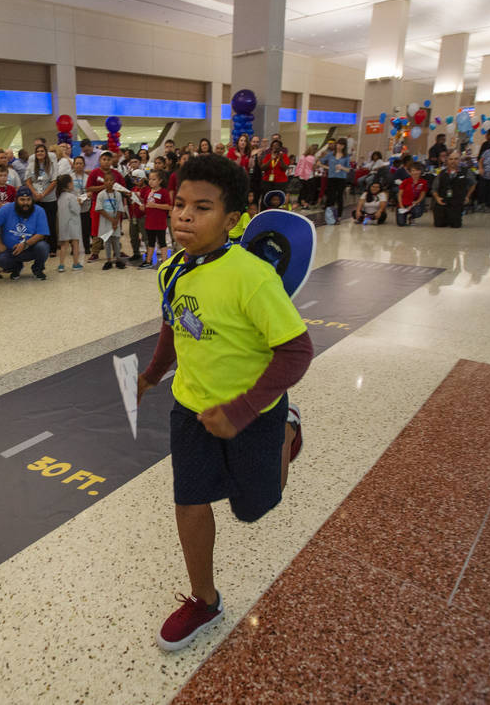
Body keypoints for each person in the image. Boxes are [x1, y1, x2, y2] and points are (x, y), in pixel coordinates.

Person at [137, 154, 312, 652]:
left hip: (254, 412)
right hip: (190, 406)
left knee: (255, 508)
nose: (184, 216)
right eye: (179, 204)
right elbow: (173, 325)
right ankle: (204, 599)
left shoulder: (251, 277)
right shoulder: (171, 269)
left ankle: (289, 428)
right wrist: (152, 375)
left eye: (202, 207)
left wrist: (242, 412)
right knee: (189, 500)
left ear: (233, 220)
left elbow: (297, 350)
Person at [0, 189, 50, 280]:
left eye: (28, 199)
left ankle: (38, 269)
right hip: (11, 250)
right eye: (22, 200)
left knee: (43, 247)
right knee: (1, 260)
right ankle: (16, 268)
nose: (26, 203)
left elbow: (41, 233)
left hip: (30, 248)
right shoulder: (7, 208)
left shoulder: (39, 211)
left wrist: (25, 244)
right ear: (16, 199)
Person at [85, 152, 126, 262]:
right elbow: (88, 188)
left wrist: (116, 189)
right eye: (104, 159)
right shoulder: (94, 173)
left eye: (109, 159)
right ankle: (95, 252)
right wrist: (103, 187)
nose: (106, 161)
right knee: (97, 229)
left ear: (112, 161)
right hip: (98, 205)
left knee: (115, 227)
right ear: (100, 161)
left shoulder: (116, 174)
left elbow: (123, 188)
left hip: (114, 205)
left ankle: (117, 251)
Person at [25, 144, 58, 251]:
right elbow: (28, 182)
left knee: (50, 224)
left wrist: (43, 194)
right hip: (36, 199)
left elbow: (54, 182)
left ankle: (52, 248)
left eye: (42, 151)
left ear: (46, 153)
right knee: (37, 224)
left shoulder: (52, 165)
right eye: (38, 151)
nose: (40, 153)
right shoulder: (31, 165)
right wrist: (35, 193)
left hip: (49, 199)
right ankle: (38, 248)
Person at [431, 151, 476, 228]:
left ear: (459, 160)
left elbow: (473, 184)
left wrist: (467, 196)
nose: (453, 161)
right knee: (439, 224)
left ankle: (452, 217)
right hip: (443, 201)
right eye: (451, 159)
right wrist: (437, 198)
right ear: (447, 160)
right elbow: (434, 188)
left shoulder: (466, 172)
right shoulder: (441, 173)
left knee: (455, 225)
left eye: (456, 159)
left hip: (457, 201)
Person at [139, 169, 171, 267]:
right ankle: (148, 261)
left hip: (160, 222)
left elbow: (169, 206)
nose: (151, 181)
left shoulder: (164, 192)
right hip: (149, 221)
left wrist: (156, 206)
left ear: (160, 181)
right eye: (150, 179)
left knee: (162, 242)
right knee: (150, 242)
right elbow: (145, 204)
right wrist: (142, 207)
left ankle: (165, 261)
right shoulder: (148, 191)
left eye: (154, 179)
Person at [95, 172, 127, 270]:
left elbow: (120, 209)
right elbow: (99, 209)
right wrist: (111, 220)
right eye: (106, 180)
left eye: (111, 180)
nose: (109, 182)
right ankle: (108, 260)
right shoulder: (101, 195)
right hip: (105, 221)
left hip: (115, 222)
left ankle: (118, 259)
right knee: (107, 242)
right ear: (104, 182)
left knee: (116, 241)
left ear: (114, 182)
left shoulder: (117, 194)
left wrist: (115, 221)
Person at [318, 138, 351, 221]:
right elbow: (320, 161)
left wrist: (342, 167)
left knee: (339, 197)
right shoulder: (330, 154)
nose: (339, 146)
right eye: (339, 144)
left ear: (344, 146)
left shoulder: (346, 156)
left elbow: (348, 169)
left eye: (342, 145)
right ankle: (329, 215)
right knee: (330, 196)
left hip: (341, 178)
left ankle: (339, 216)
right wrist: (326, 167)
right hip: (331, 178)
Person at [55, 174, 82, 272]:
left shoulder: (60, 197)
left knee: (64, 245)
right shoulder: (71, 197)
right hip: (73, 224)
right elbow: (76, 210)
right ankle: (76, 264)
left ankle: (61, 265)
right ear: (69, 184)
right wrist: (79, 203)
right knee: (75, 244)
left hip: (63, 224)